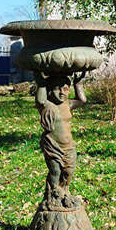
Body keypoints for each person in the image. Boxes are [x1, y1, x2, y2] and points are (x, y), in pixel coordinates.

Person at [34, 72, 87, 208]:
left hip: (68, 146)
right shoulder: (47, 105)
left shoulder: (68, 104)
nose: (62, 92)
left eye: (65, 89)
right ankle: (52, 195)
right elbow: (40, 100)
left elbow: (82, 100)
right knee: (56, 171)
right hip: (53, 145)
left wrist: (78, 84)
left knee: (68, 173)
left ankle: (64, 193)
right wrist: (41, 82)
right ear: (50, 90)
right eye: (58, 88)